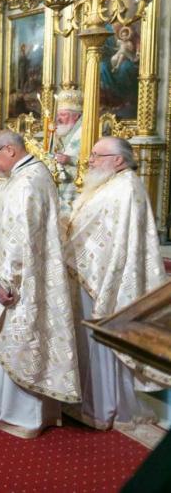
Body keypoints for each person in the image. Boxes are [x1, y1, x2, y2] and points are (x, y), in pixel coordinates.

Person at [0, 130, 80, 438]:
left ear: (9, 150)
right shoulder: (28, 175)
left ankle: (11, 411)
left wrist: (8, 280)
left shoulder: (27, 182)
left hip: (14, 280)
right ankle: (7, 407)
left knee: (14, 337)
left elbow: (21, 237)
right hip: (23, 275)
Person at [63, 136, 169, 430]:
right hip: (88, 271)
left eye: (97, 155)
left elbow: (123, 240)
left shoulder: (127, 188)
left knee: (101, 340)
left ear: (118, 160)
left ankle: (105, 406)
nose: (90, 160)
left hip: (105, 277)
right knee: (86, 340)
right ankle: (87, 401)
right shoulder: (109, 183)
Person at [53, 89, 83, 214]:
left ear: (76, 116)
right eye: (58, 115)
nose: (59, 118)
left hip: (76, 186)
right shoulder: (61, 131)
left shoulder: (86, 133)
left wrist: (70, 160)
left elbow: (94, 160)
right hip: (60, 183)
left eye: (63, 115)